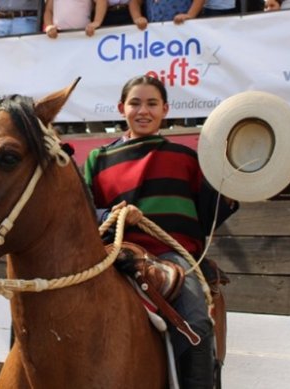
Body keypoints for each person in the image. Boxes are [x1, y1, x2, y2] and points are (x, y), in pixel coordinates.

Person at [83, 75, 238, 389]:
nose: (144, 110)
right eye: (135, 103)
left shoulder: (185, 158)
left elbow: (211, 212)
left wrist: (234, 184)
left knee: (195, 322)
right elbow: (84, 210)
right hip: (111, 252)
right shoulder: (97, 159)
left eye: (152, 103)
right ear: (121, 108)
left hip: (172, 257)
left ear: (165, 109)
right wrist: (109, 214)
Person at [129, 0, 203, 30]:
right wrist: (137, 18)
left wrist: (190, 15)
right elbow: (134, 2)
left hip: (183, 28)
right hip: (155, 32)